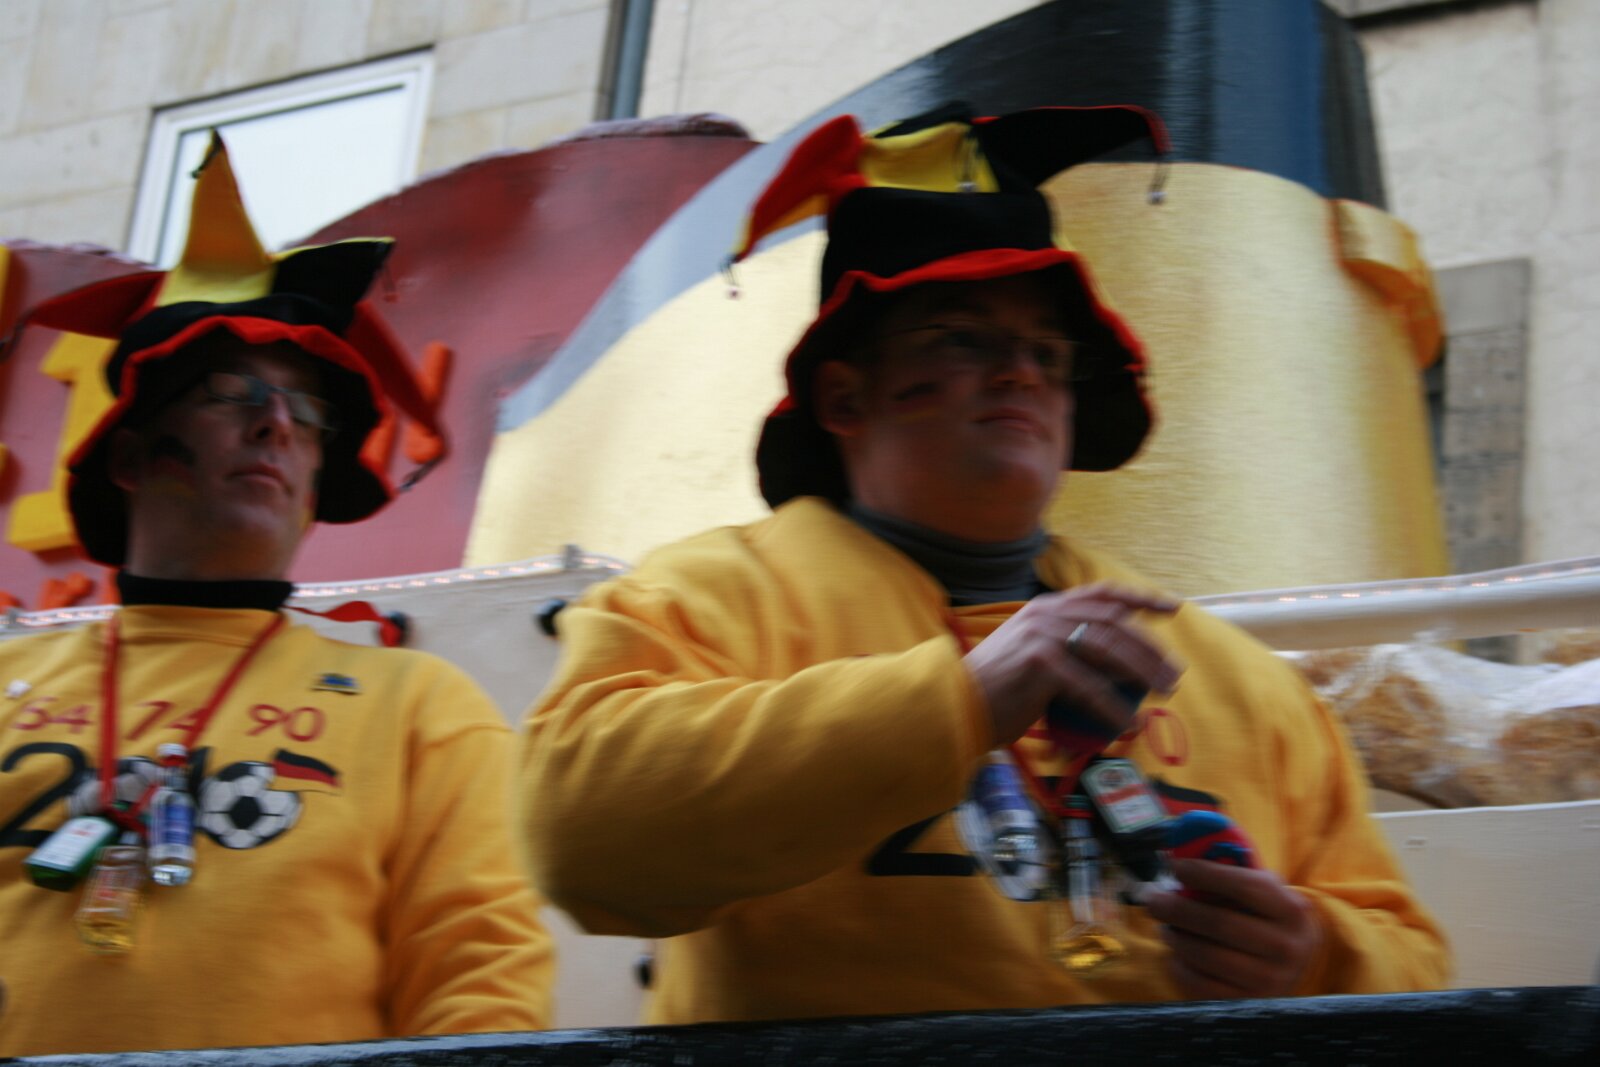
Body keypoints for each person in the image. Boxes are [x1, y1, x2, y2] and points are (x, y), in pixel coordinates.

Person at [521, 104, 1450, 1023]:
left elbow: (1418, 969)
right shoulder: (697, 600)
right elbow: (579, 841)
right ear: (843, 397)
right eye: (962, 337)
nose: (1020, 373)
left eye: (1048, 352)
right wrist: (959, 702)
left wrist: (1315, 953)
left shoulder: (1245, 683)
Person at [0, 135, 553, 1057]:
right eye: (233, 391)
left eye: (307, 411)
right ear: (130, 454)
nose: (277, 424)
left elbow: (481, 989)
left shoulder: (420, 709)